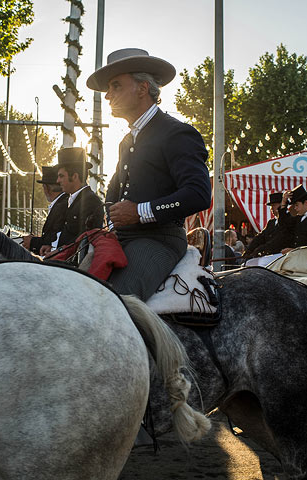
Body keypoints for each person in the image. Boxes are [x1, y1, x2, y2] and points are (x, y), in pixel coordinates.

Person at [86, 48, 211, 300]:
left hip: (160, 240)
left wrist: (139, 211)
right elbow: (114, 192)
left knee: (114, 302)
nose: (108, 95)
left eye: (116, 86)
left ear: (142, 88)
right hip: (123, 238)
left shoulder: (177, 133)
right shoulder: (126, 140)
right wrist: (110, 221)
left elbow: (198, 194)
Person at [40, 147, 103, 256]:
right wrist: (52, 247)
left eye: (61, 176)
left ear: (74, 176)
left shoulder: (89, 202)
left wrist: (57, 252)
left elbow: (82, 241)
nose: (57, 181)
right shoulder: (75, 200)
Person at [21, 165, 68, 254]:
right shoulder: (60, 203)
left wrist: (33, 242)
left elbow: (56, 238)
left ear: (47, 188)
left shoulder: (62, 205)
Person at [245, 192, 293, 258]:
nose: (271, 209)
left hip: (282, 255)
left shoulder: (289, 219)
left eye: (274, 205)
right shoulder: (271, 222)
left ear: (282, 204)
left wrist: (261, 249)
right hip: (270, 255)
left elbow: (278, 239)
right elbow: (260, 237)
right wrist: (249, 250)